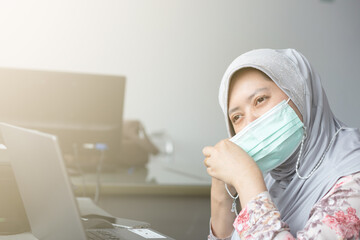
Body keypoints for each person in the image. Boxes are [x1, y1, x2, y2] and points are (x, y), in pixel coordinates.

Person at [202, 48, 360, 239]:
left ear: (300, 93)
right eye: (237, 117)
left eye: (260, 100)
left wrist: (245, 178)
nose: (251, 123)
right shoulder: (271, 177)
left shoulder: (353, 180)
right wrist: (221, 196)